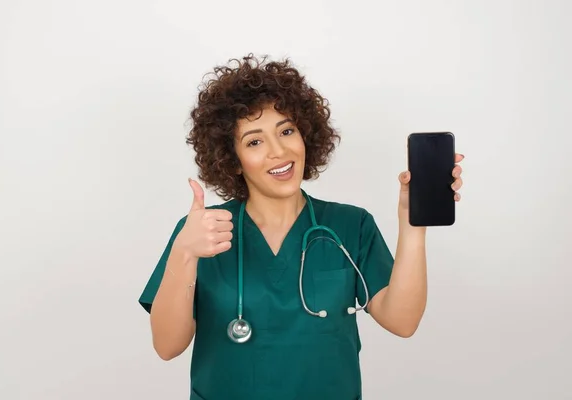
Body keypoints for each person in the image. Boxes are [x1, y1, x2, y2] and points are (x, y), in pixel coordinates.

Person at [138, 54, 464, 400]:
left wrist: (413, 221)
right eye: (254, 141)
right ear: (232, 160)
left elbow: (402, 321)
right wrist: (184, 253)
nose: (279, 151)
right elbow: (167, 346)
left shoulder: (350, 225)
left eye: (287, 131)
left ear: (306, 134)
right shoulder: (202, 232)